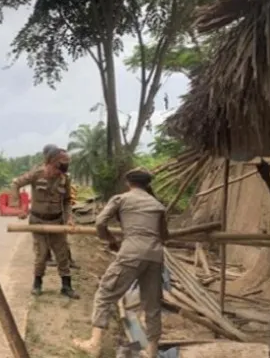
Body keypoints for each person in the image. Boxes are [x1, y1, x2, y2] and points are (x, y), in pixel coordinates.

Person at [73, 167, 168, 358]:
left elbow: (100, 222)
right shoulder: (158, 205)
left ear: (128, 183)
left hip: (130, 253)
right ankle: (152, 351)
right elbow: (164, 235)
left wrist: (109, 239)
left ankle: (94, 344)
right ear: (147, 184)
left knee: (105, 293)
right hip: (155, 256)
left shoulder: (121, 199)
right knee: (152, 305)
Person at [10, 144, 79, 298]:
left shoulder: (64, 179)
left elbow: (67, 200)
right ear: (49, 162)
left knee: (62, 255)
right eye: (56, 168)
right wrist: (18, 207)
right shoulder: (36, 174)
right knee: (41, 255)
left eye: (62, 170)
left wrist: (69, 218)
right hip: (38, 221)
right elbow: (15, 184)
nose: (58, 173)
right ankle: (37, 284)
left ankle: (66, 286)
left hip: (57, 222)